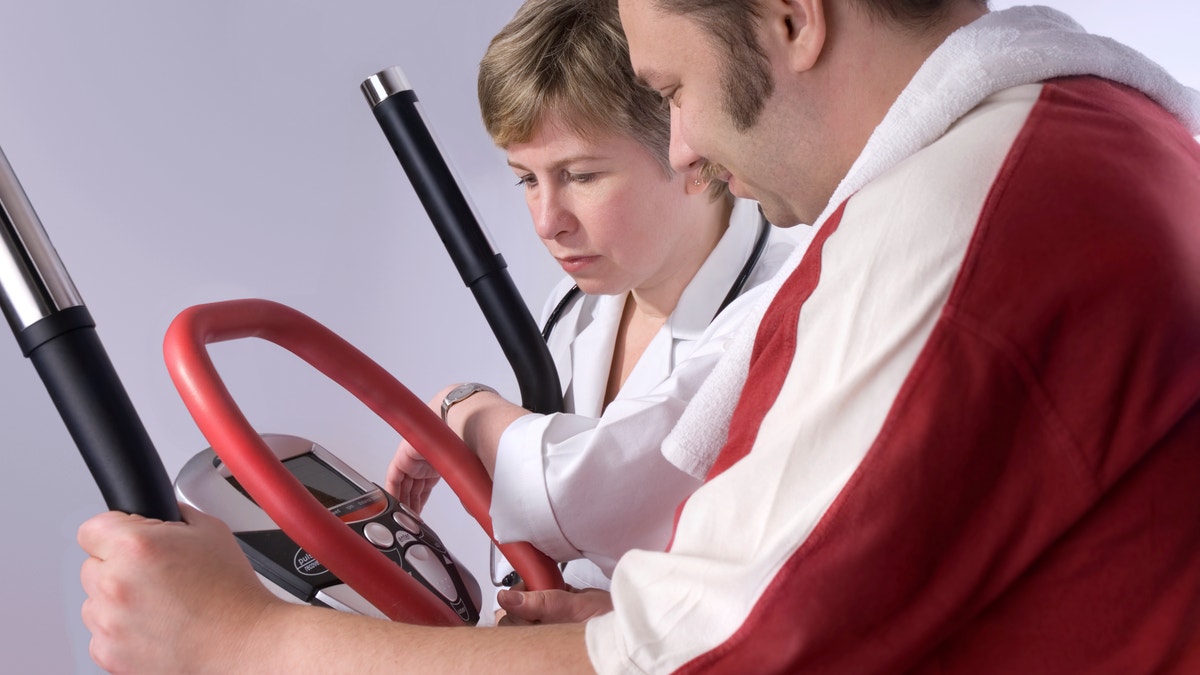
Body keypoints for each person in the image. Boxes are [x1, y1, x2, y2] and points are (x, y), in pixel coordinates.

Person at [77, 1, 1200, 673]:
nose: (690, 147)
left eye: (674, 88)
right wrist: (635, 618)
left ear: (792, 16)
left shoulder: (960, 222)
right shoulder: (1102, 140)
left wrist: (242, 641)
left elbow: (701, 663)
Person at [383, 0, 798, 601]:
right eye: (527, 179)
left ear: (692, 155)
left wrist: (465, 409)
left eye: (581, 176)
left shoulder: (782, 300)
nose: (548, 222)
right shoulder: (573, 308)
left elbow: (597, 494)